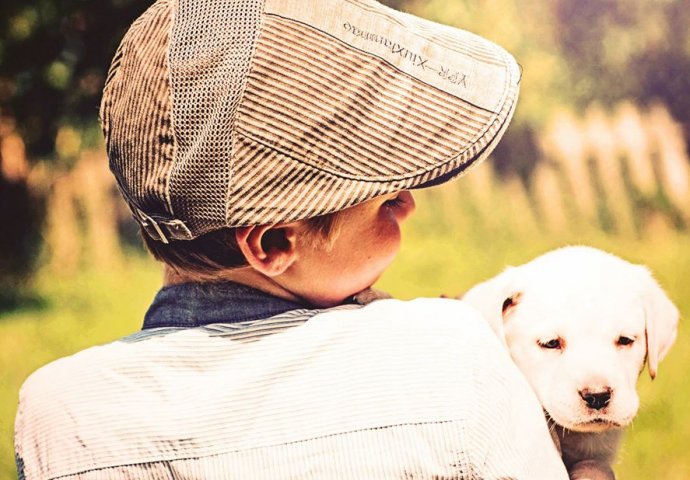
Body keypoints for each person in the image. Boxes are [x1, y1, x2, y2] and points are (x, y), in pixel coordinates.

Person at [14, 0, 569, 478]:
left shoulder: (61, 419)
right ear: (275, 245)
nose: (407, 201)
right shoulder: (451, 357)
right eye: (382, 192)